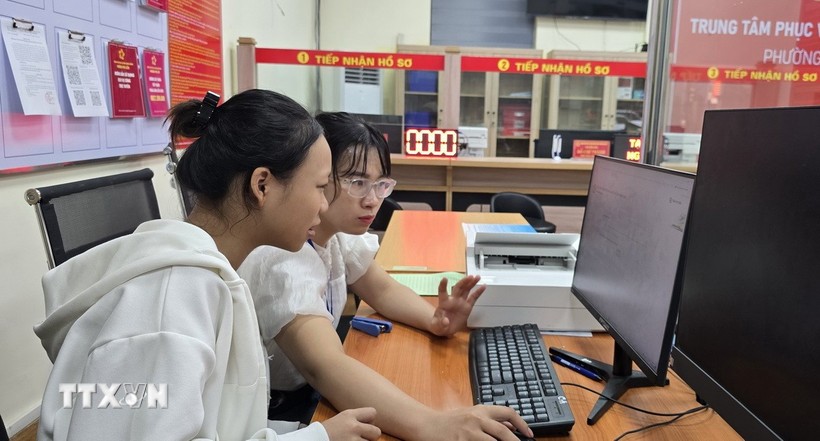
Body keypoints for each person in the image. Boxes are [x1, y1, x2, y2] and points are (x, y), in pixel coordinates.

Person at [33, 91, 381, 441]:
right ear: (262, 185)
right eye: (320, 187)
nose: (324, 206)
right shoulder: (170, 306)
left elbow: (213, 419)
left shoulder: (215, 276)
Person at [239, 112, 533, 441]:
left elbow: (382, 290)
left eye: (380, 184)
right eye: (357, 183)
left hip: (313, 390)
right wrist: (432, 424)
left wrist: (434, 320)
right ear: (318, 176)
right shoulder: (281, 259)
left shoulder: (335, 235)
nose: (373, 200)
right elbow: (325, 366)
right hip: (283, 410)